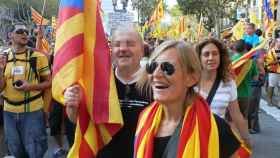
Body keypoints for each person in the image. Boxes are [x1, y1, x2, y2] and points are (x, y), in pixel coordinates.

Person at [134, 40, 240, 158]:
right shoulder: (144, 119)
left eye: (167, 68)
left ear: (191, 78)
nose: (156, 74)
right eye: (152, 66)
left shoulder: (215, 128)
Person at [64, 26, 152, 158]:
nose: (122, 49)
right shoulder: (97, 83)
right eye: (117, 45)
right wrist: (71, 105)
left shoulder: (155, 82)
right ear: (111, 51)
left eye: (130, 44)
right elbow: (77, 120)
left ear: (142, 50)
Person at [0, 24, 51, 158]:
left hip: (32, 113)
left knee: (35, 151)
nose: (25, 34)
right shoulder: (3, 57)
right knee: (15, 151)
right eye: (20, 31)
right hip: (9, 113)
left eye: (27, 32)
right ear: (10, 35)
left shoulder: (38, 56)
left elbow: (49, 82)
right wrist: (0, 70)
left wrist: (30, 87)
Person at [195, 38, 251, 146]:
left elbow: (237, 115)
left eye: (215, 54)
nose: (211, 58)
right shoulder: (189, 84)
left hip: (218, 140)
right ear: (199, 58)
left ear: (220, 57)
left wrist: (246, 140)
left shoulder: (229, 84)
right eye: (206, 54)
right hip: (193, 141)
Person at [231, 40, 259, 121]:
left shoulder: (230, 60)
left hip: (231, 94)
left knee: (231, 119)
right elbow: (255, 78)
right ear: (245, 49)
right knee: (243, 118)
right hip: (245, 94)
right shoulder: (251, 62)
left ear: (234, 49)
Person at [265, 38, 280, 108]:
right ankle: (269, 100)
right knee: (271, 86)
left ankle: (279, 102)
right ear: (276, 42)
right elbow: (268, 62)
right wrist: (276, 62)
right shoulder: (271, 51)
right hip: (273, 71)